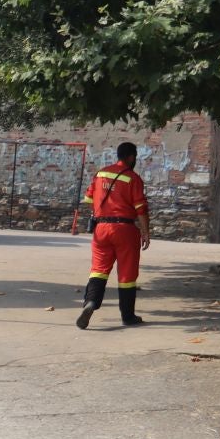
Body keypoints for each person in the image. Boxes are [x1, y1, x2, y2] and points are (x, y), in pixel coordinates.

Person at [77, 141, 152, 329]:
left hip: (101, 228)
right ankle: (128, 316)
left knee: (99, 269)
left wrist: (103, 212)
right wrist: (145, 232)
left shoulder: (101, 174)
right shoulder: (133, 178)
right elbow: (141, 209)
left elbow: (88, 199)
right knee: (127, 273)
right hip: (125, 229)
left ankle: (91, 302)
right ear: (131, 157)